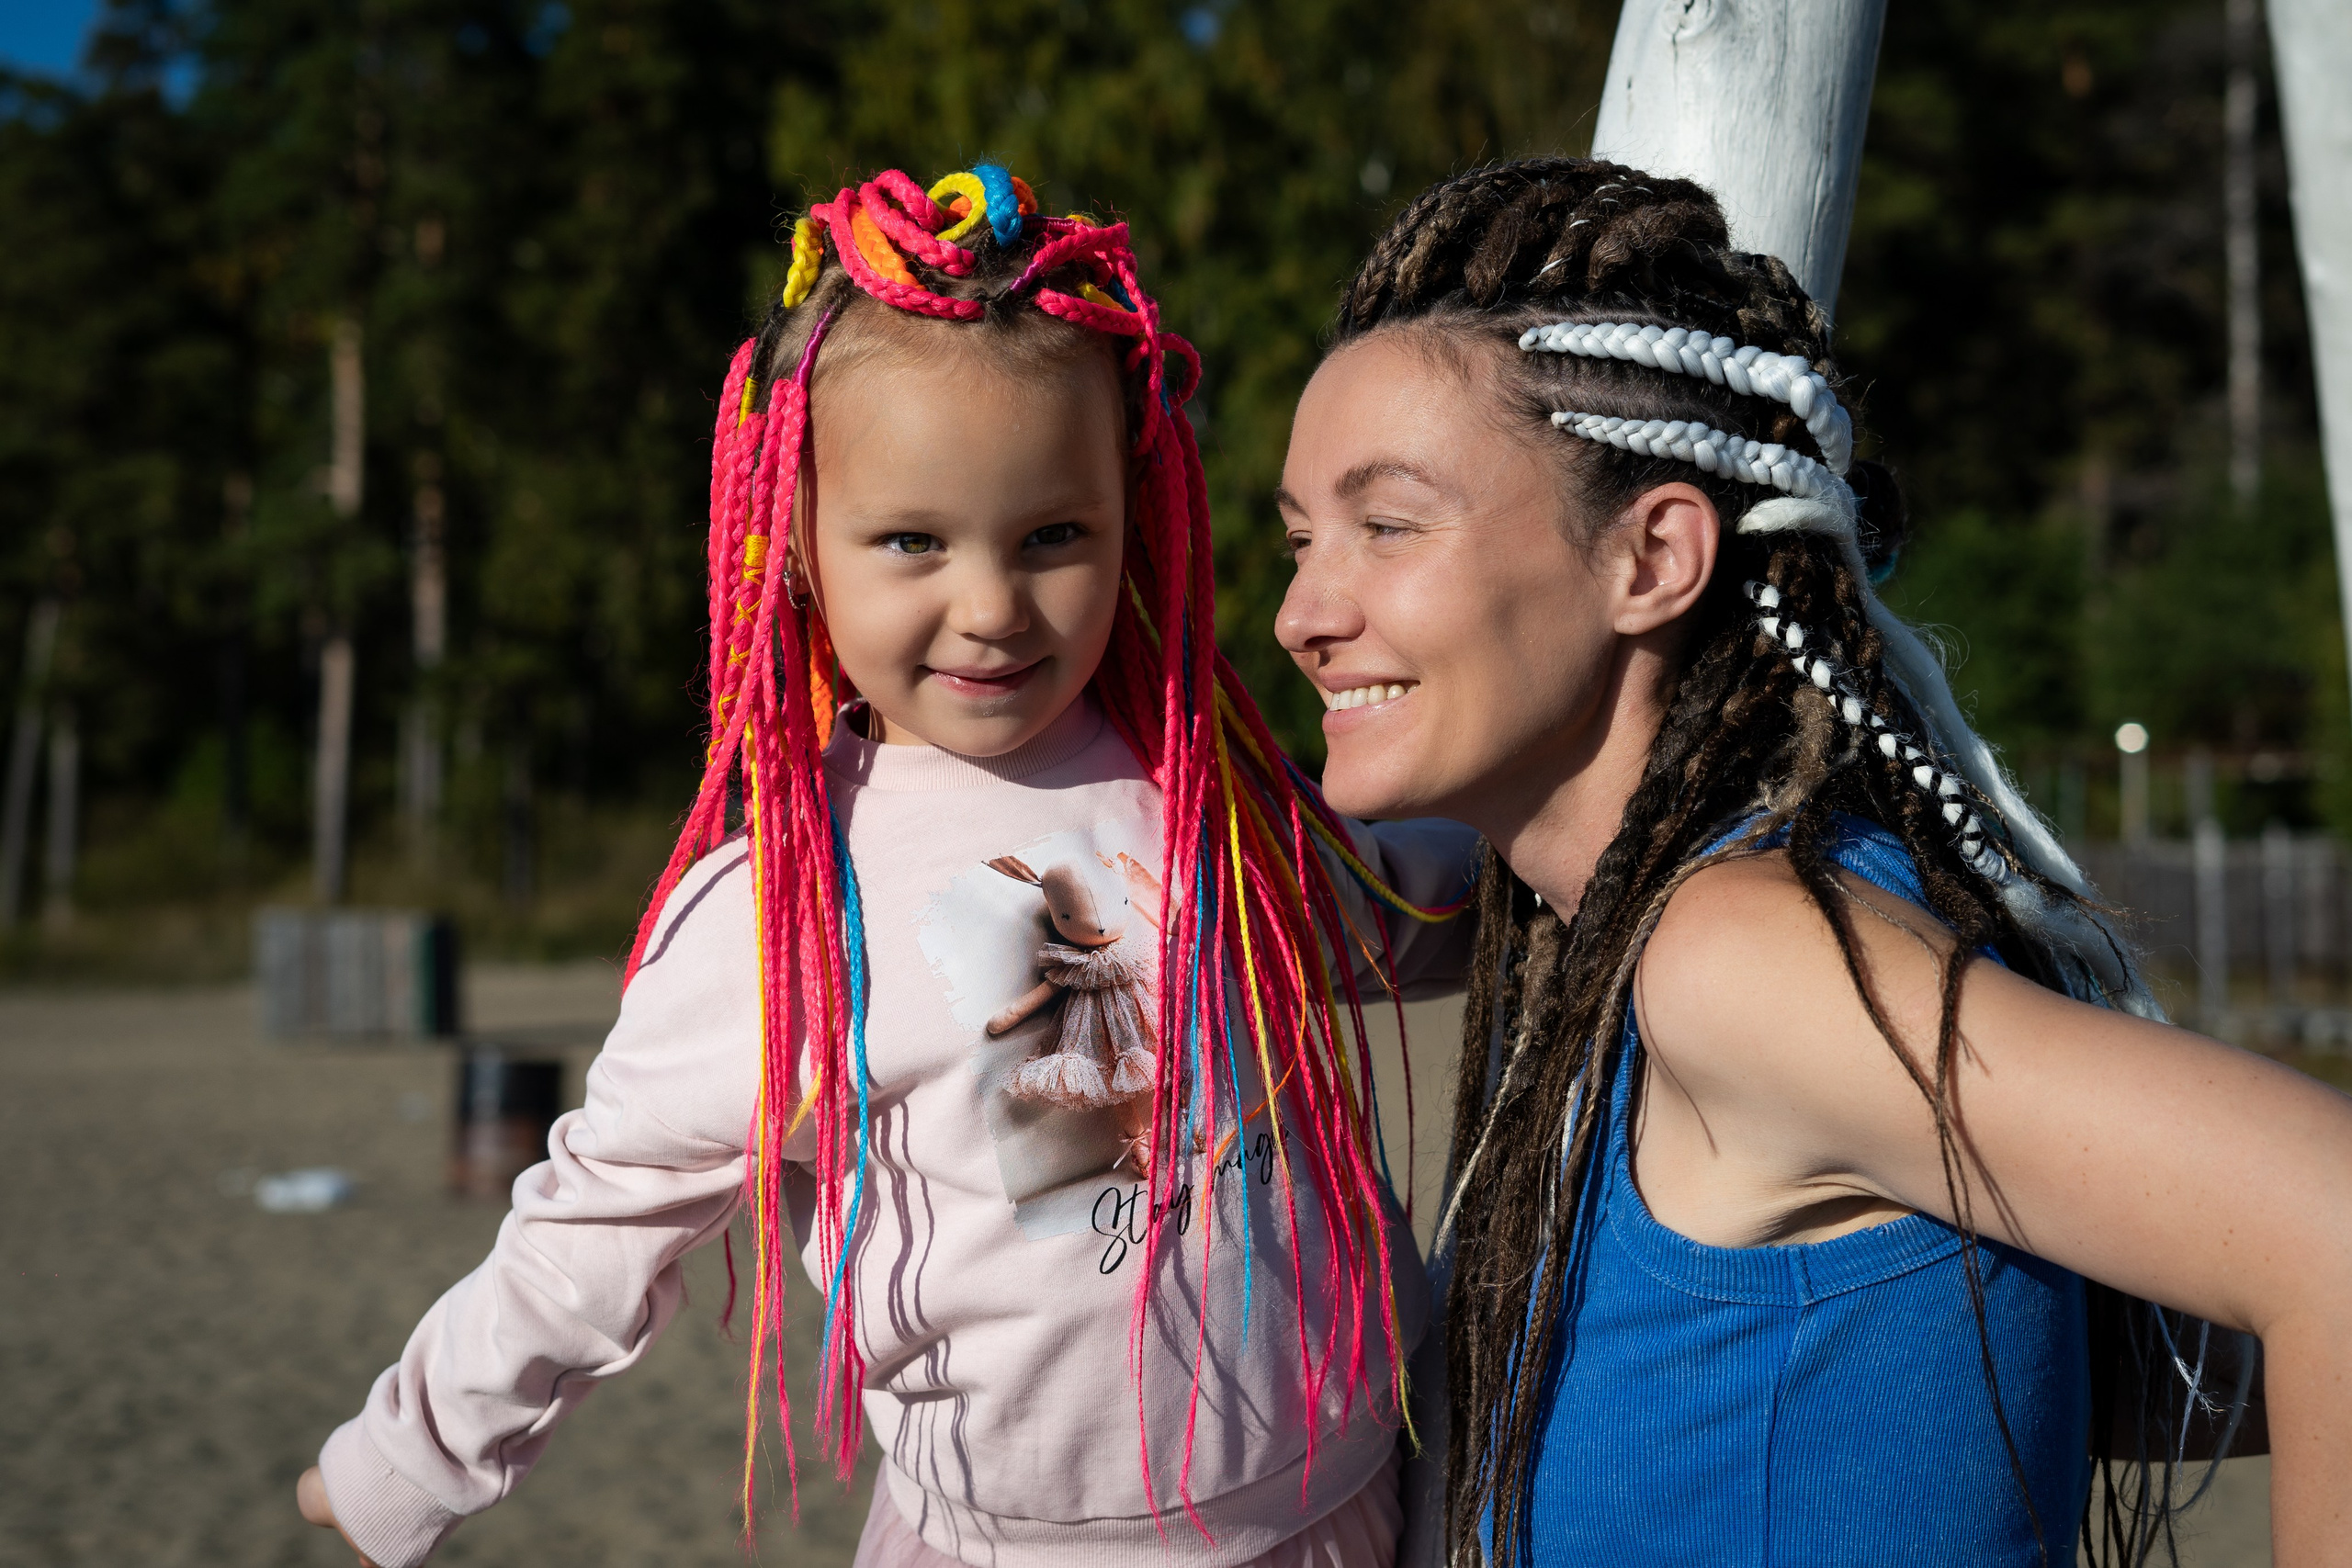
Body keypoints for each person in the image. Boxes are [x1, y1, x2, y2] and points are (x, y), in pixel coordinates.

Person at [296, 164, 1476, 1568]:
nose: (991, 607)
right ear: (797, 544)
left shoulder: (1204, 780)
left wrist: (1550, 847)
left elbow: (1387, 913)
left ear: (1133, 516)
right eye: (913, 540)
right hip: (1017, 1548)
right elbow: (590, 1227)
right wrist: (394, 1466)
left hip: (1343, 1502)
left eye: (1055, 537)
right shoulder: (786, 907)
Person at [1274, 157, 2352, 1566]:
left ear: (1652, 556)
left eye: (1387, 526)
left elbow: (2330, 1229)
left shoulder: (1739, 955)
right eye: (1298, 542)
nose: (1302, 613)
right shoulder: (1621, 927)